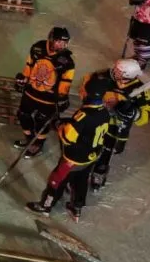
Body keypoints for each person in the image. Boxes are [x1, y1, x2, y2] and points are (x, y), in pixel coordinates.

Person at [26, 81, 112, 221]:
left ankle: (45, 206)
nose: (81, 92)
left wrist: (58, 125)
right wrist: (69, 122)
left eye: (83, 90)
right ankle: (76, 207)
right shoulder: (104, 112)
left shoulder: (84, 114)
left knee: (56, 181)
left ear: (88, 94)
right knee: (81, 180)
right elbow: (88, 128)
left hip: (74, 159)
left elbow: (67, 137)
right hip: (91, 156)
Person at [84, 59, 150, 193]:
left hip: (117, 128)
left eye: (118, 71)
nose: (114, 71)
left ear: (127, 75)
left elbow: (147, 113)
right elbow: (88, 85)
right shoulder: (106, 78)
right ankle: (82, 172)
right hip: (99, 120)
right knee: (89, 146)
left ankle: (99, 172)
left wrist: (134, 113)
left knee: (107, 152)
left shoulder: (140, 91)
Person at [14, 27, 75, 158]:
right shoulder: (37, 47)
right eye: (59, 41)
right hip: (30, 93)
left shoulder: (68, 62)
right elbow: (29, 66)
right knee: (22, 115)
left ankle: (38, 145)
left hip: (48, 99)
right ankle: (30, 140)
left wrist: (62, 97)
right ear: (51, 39)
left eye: (65, 42)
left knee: (41, 121)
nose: (62, 45)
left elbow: (66, 81)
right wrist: (23, 79)